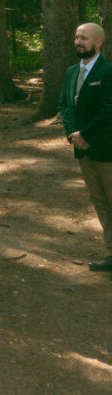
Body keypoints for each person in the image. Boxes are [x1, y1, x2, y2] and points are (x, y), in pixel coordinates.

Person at [58, 22, 112, 272]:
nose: (78, 42)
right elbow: (64, 106)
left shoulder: (108, 71)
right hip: (82, 149)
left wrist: (86, 134)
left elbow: (109, 110)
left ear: (97, 43)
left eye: (84, 38)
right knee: (100, 201)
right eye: (77, 37)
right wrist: (72, 134)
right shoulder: (71, 72)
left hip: (104, 149)